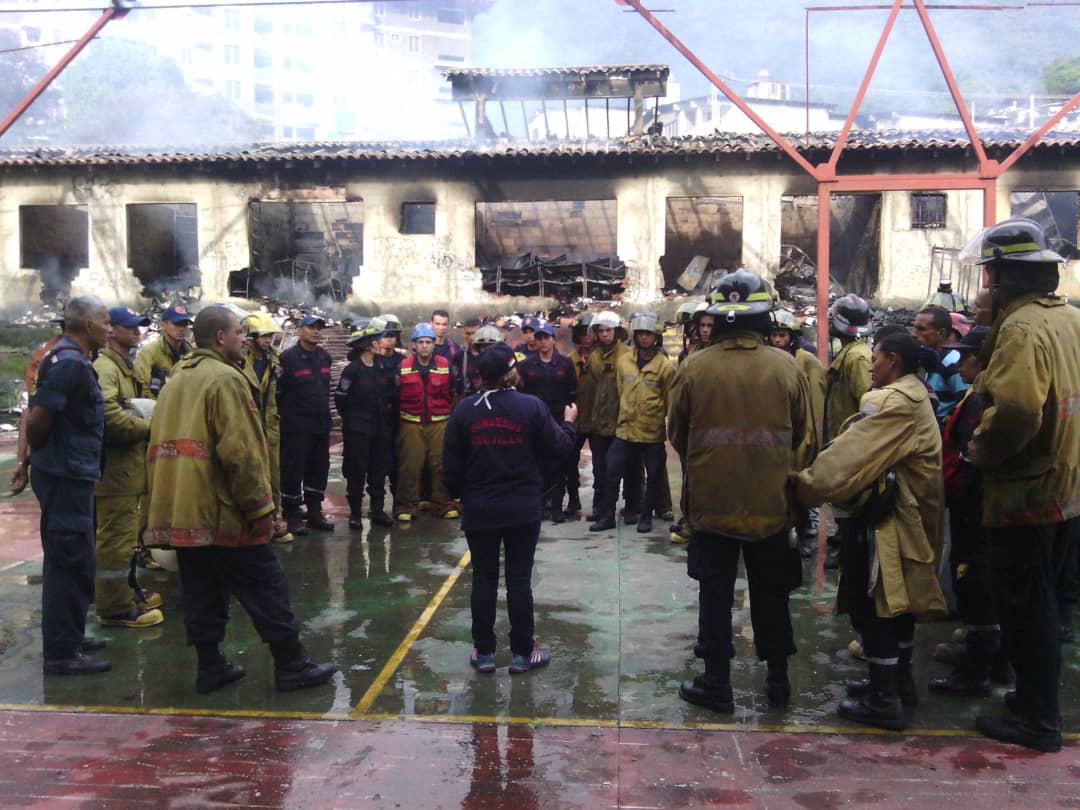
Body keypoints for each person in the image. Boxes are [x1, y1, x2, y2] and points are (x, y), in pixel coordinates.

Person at [145, 306, 337, 694]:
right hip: (225, 511)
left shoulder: (177, 378)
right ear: (220, 338)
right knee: (266, 584)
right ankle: (290, 664)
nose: (245, 339)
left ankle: (210, 665)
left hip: (186, 511)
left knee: (202, 590)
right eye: (239, 332)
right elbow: (242, 454)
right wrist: (261, 509)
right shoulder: (226, 380)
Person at [669, 270, 812, 713]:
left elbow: (676, 433)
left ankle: (716, 683)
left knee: (714, 595)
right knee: (772, 593)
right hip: (771, 507)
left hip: (712, 507)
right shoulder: (786, 366)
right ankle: (777, 681)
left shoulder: (694, 367)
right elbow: (804, 435)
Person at [966, 217, 1080, 753]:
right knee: (1047, 604)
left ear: (1005, 277)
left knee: (1026, 606)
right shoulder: (1068, 320)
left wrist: (980, 451)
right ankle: (1032, 698)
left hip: (1025, 493)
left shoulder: (1019, 330)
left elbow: (1014, 410)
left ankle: (1037, 719)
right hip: (1066, 486)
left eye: (990, 274)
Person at [794, 332, 947, 731]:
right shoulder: (916, 396)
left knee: (878, 603)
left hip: (891, 522)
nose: (871, 367)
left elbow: (850, 454)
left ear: (892, 361)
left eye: (874, 360)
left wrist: (804, 486)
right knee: (899, 605)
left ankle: (884, 700)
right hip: (911, 517)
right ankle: (897, 682)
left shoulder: (890, 403)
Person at [443, 342, 577, 673]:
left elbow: (450, 468)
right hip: (522, 508)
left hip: (481, 509)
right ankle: (521, 652)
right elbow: (560, 448)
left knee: (483, 579)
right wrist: (570, 422)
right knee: (519, 579)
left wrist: (465, 495)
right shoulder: (530, 407)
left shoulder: (464, 410)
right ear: (511, 373)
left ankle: (484, 652)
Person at [20, 297, 111, 674]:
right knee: (68, 558)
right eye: (105, 322)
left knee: (76, 557)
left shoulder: (69, 358)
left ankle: (70, 634)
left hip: (70, 470)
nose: (108, 327)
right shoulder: (68, 363)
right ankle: (61, 652)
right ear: (88, 324)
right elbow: (38, 418)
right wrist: (38, 456)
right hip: (65, 473)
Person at [930, 325, 1002, 698]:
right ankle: (992, 659)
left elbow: (974, 456)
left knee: (975, 583)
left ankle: (977, 673)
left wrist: (964, 493)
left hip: (974, 508)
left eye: (967, 356)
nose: (958, 363)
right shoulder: (976, 394)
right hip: (969, 504)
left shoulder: (979, 402)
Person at [92, 306, 165, 629]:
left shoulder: (125, 367)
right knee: (115, 541)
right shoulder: (105, 369)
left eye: (139, 327)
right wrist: (149, 427)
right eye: (130, 327)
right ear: (111, 331)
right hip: (114, 473)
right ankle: (114, 607)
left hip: (129, 470)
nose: (138, 332)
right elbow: (107, 416)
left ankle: (126, 591)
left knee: (126, 539)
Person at [589, 311, 674, 534]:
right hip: (626, 429)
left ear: (656, 336)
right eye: (640, 334)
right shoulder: (624, 361)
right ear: (634, 336)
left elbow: (668, 399)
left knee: (653, 476)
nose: (644, 337)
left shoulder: (665, 366)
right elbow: (620, 390)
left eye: (648, 333)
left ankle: (645, 516)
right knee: (612, 471)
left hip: (651, 430)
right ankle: (607, 515)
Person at [822, 294, 874, 569]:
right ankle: (845, 542)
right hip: (844, 443)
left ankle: (848, 545)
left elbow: (868, 405)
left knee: (850, 501)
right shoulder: (851, 355)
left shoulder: (857, 359)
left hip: (852, 446)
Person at [769, 307, 826, 556]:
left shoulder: (808, 362)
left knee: (802, 488)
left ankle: (807, 532)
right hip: (775, 435)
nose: (778, 340)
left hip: (801, 434)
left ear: (792, 336)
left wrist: (811, 437)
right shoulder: (768, 360)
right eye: (774, 335)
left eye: (782, 335)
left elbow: (816, 403)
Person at [276, 314, 335, 535]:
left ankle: (314, 511)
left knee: (318, 468)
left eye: (319, 328)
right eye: (311, 328)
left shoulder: (324, 357)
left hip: (320, 424)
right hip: (296, 426)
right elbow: (278, 394)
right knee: (293, 469)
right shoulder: (288, 359)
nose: (316, 332)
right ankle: (292, 514)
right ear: (300, 330)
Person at [335, 322, 395, 529]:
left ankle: (377, 511)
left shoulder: (381, 367)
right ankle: (355, 514)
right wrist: (354, 421)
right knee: (356, 472)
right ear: (368, 346)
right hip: (357, 431)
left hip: (379, 429)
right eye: (377, 340)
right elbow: (340, 399)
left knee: (379, 471)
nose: (381, 343)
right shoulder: (352, 370)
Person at [395, 322, 457, 521]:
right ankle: (407, 505)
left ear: (433, 344)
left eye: (428, 342)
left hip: (440, 423)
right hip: (411, 423)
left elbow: (453, 393)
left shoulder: (444, 365)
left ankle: (443, 502)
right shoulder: (403, 367)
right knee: (410, 465)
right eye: (420, 342)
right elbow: (395, 395)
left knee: (440, 463)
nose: (424, 346)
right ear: (414, 344)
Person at [517, 322, 577, 523]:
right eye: (539, 338)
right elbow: (521, 394)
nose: (543, 342)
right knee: (537, 466)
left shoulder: (565, 364)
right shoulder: (526, 366)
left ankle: (558, 507)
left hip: (559, 420)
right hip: (535, 422)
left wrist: (570, 418)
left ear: (553, 339)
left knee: (559, 466)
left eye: (546, 337)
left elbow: (573, 392)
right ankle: (540, 506)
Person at [243, 312, 291, 544]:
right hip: (247, 427)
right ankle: (250, 524)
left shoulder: (277, 359)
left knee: (274, 476)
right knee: (250, 475)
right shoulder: (241, 361)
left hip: (271, 426)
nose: (268, 339)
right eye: (263, 335)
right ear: (251, 337)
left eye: (270, 335)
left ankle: (273, 523)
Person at [585, 311, 629, 521]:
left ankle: (625, 508)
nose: (604, 334)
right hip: (598, 423)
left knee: (620, 469)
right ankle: (599, 507)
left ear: (617, 332)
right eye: (600, 331)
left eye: (608, 330)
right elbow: (593, 389)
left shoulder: (626, 356)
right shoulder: (593, 357)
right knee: (599, 469)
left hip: (620, 423)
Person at [913, 305, 968, 423]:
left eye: (921, 329)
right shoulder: (925, 358)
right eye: (915, 328)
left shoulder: (952, 362)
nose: (914, 334)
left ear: (941, 332)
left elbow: (965, 402)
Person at [565, 313, 595, 519]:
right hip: (576, 417)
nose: (586, 338)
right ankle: (573, 499)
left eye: (590, 333)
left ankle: (601, 502)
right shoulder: (569, 361)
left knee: (603, 465)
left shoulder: (602, 359)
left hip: (597, 417)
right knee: (568, 461)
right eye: (582, 333)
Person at [134, 304, 194, 399]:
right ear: (163, 325)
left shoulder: (191, 354)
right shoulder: (149, 352)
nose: (182, 329)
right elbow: (143, 387)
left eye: (185, 324)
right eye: (177, 324)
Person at [451, 318, 487, 401]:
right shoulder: (459, 356)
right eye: (468, 333)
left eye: (474, 333)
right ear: (464, 334)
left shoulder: (491, 354)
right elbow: (455, 384)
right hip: (467, 403)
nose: (471, 337)